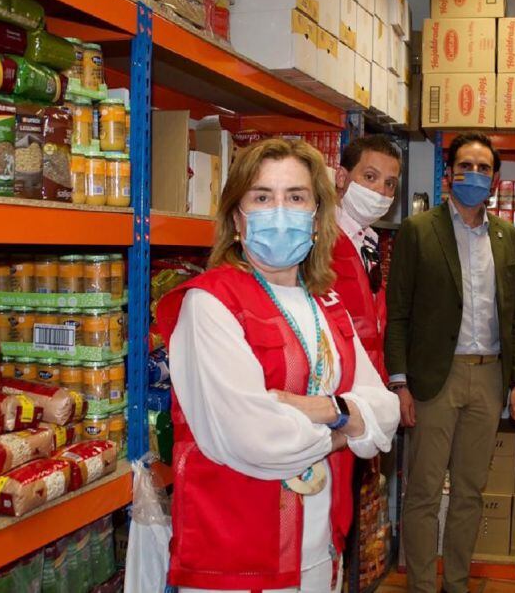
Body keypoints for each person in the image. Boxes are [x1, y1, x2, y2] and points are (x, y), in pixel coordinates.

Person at [157, 138, 400, 593]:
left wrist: (330, 410)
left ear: (316, 216)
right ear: (236, 218)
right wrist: (349, 425)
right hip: (236, 564)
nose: (280, 210)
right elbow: (256, 438)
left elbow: (384, 411)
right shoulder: (210, 304)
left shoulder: (328, 303)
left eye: (296, 197)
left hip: (321, 553)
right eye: (262, 197)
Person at [385, 132, 515, 593]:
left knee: (470, 492)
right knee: (425, 493)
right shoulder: (418, 230)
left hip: (489, 377)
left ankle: (458, 584)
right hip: (434, 379)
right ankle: (424, 586)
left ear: (496, 180)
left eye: (483, 168)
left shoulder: (507, 237)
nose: (473, 174)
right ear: (449, 174)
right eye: (464, 166)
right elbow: (399, 311)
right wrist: (400, 383)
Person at [332, 134, 403, 382]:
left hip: (370, 378)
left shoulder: (370, 240)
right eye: (370, 177)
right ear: (342, 177)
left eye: (390, 183)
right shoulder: (319, 240)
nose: (380, 191)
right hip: (337, 380)